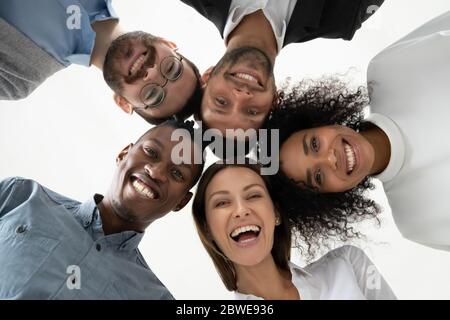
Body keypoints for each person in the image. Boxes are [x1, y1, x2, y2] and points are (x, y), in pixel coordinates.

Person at [273, 11, 450, 251]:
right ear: (330, 196)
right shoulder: (417, 222)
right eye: (317, 177)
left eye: (314, 144)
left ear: (320, 122)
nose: (329, 158)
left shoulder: (389, 71)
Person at [0, 119, 204, 299]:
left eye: (177, 173)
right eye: (151, 152)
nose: (156, 172)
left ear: (181, 202)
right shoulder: (19, 196)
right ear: (123, 154)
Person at [192, 162, 395, 299]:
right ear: (207, 229)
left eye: (253, 195)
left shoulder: (348, 264)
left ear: (276, 214)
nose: (241, 210)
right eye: (222, 203)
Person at [180, 0, 384, 137]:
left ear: (207, 76)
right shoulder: (342, 17)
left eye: (221, 102)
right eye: (251, 111)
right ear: (274, 100)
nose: (242, 95)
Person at [0, 1, 203, 124]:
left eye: (152, 95)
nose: (151, 74)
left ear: (123, 103)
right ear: (166, 42)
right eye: (171, 68)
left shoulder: (17, 76)